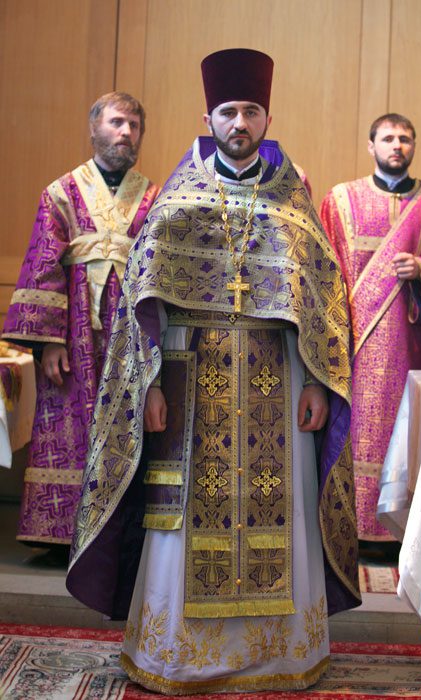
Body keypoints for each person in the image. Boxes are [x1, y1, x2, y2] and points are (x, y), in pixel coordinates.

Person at [67, 49, 360, 694]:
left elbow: (323, 296)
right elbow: (142, 301)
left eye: (251, 111)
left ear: (267, 118)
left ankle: (279, 656)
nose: (240, 123)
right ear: (209, 118)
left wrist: (318, 380)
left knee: (282, 510)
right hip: (190, 379)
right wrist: (147, 384)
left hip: (279, 378)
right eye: (228, 112)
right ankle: (183, 656)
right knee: (180, 519)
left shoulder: (292, 201)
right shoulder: (179, 197)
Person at [2, 92, 160, 550]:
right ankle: (60, 533)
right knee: (69, 428)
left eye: (133, 125)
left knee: (126, 428)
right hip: (75, 334)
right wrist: (49, 340)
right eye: (116, 122)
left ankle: (118, 540)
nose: (125, 132)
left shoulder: (155, 197)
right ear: (94, 128)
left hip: (130, 332)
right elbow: (43, 266)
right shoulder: (61, 192)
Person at [320, 113, 421, 545]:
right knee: (356, 431)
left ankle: (406, 534)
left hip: (417, 347)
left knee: (410, 433)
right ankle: (352, 529)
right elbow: (324, 271)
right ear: (371, 145)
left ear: (414, 146)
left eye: (405, 139)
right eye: (388, 138)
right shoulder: (341, 201)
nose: (397, 145)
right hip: (355, 344)